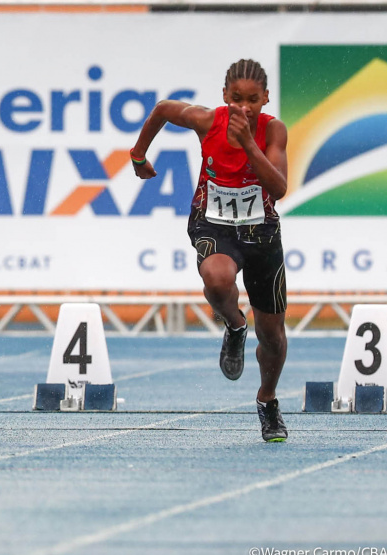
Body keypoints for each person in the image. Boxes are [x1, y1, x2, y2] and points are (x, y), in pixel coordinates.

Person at [129, 59, 289, 442]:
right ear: (224, 96)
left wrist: (248, 142)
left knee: (273, 337)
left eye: (253, 100)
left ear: (266, 98)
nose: (244, 108)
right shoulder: (207, 121)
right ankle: (235, 325)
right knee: (217, 279)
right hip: (214, 224)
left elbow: (279, 188)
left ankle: (267, 400)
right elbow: (163, 109)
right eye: (237, 99)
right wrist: (138, 154)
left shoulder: (273, 130)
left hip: (261, 233)